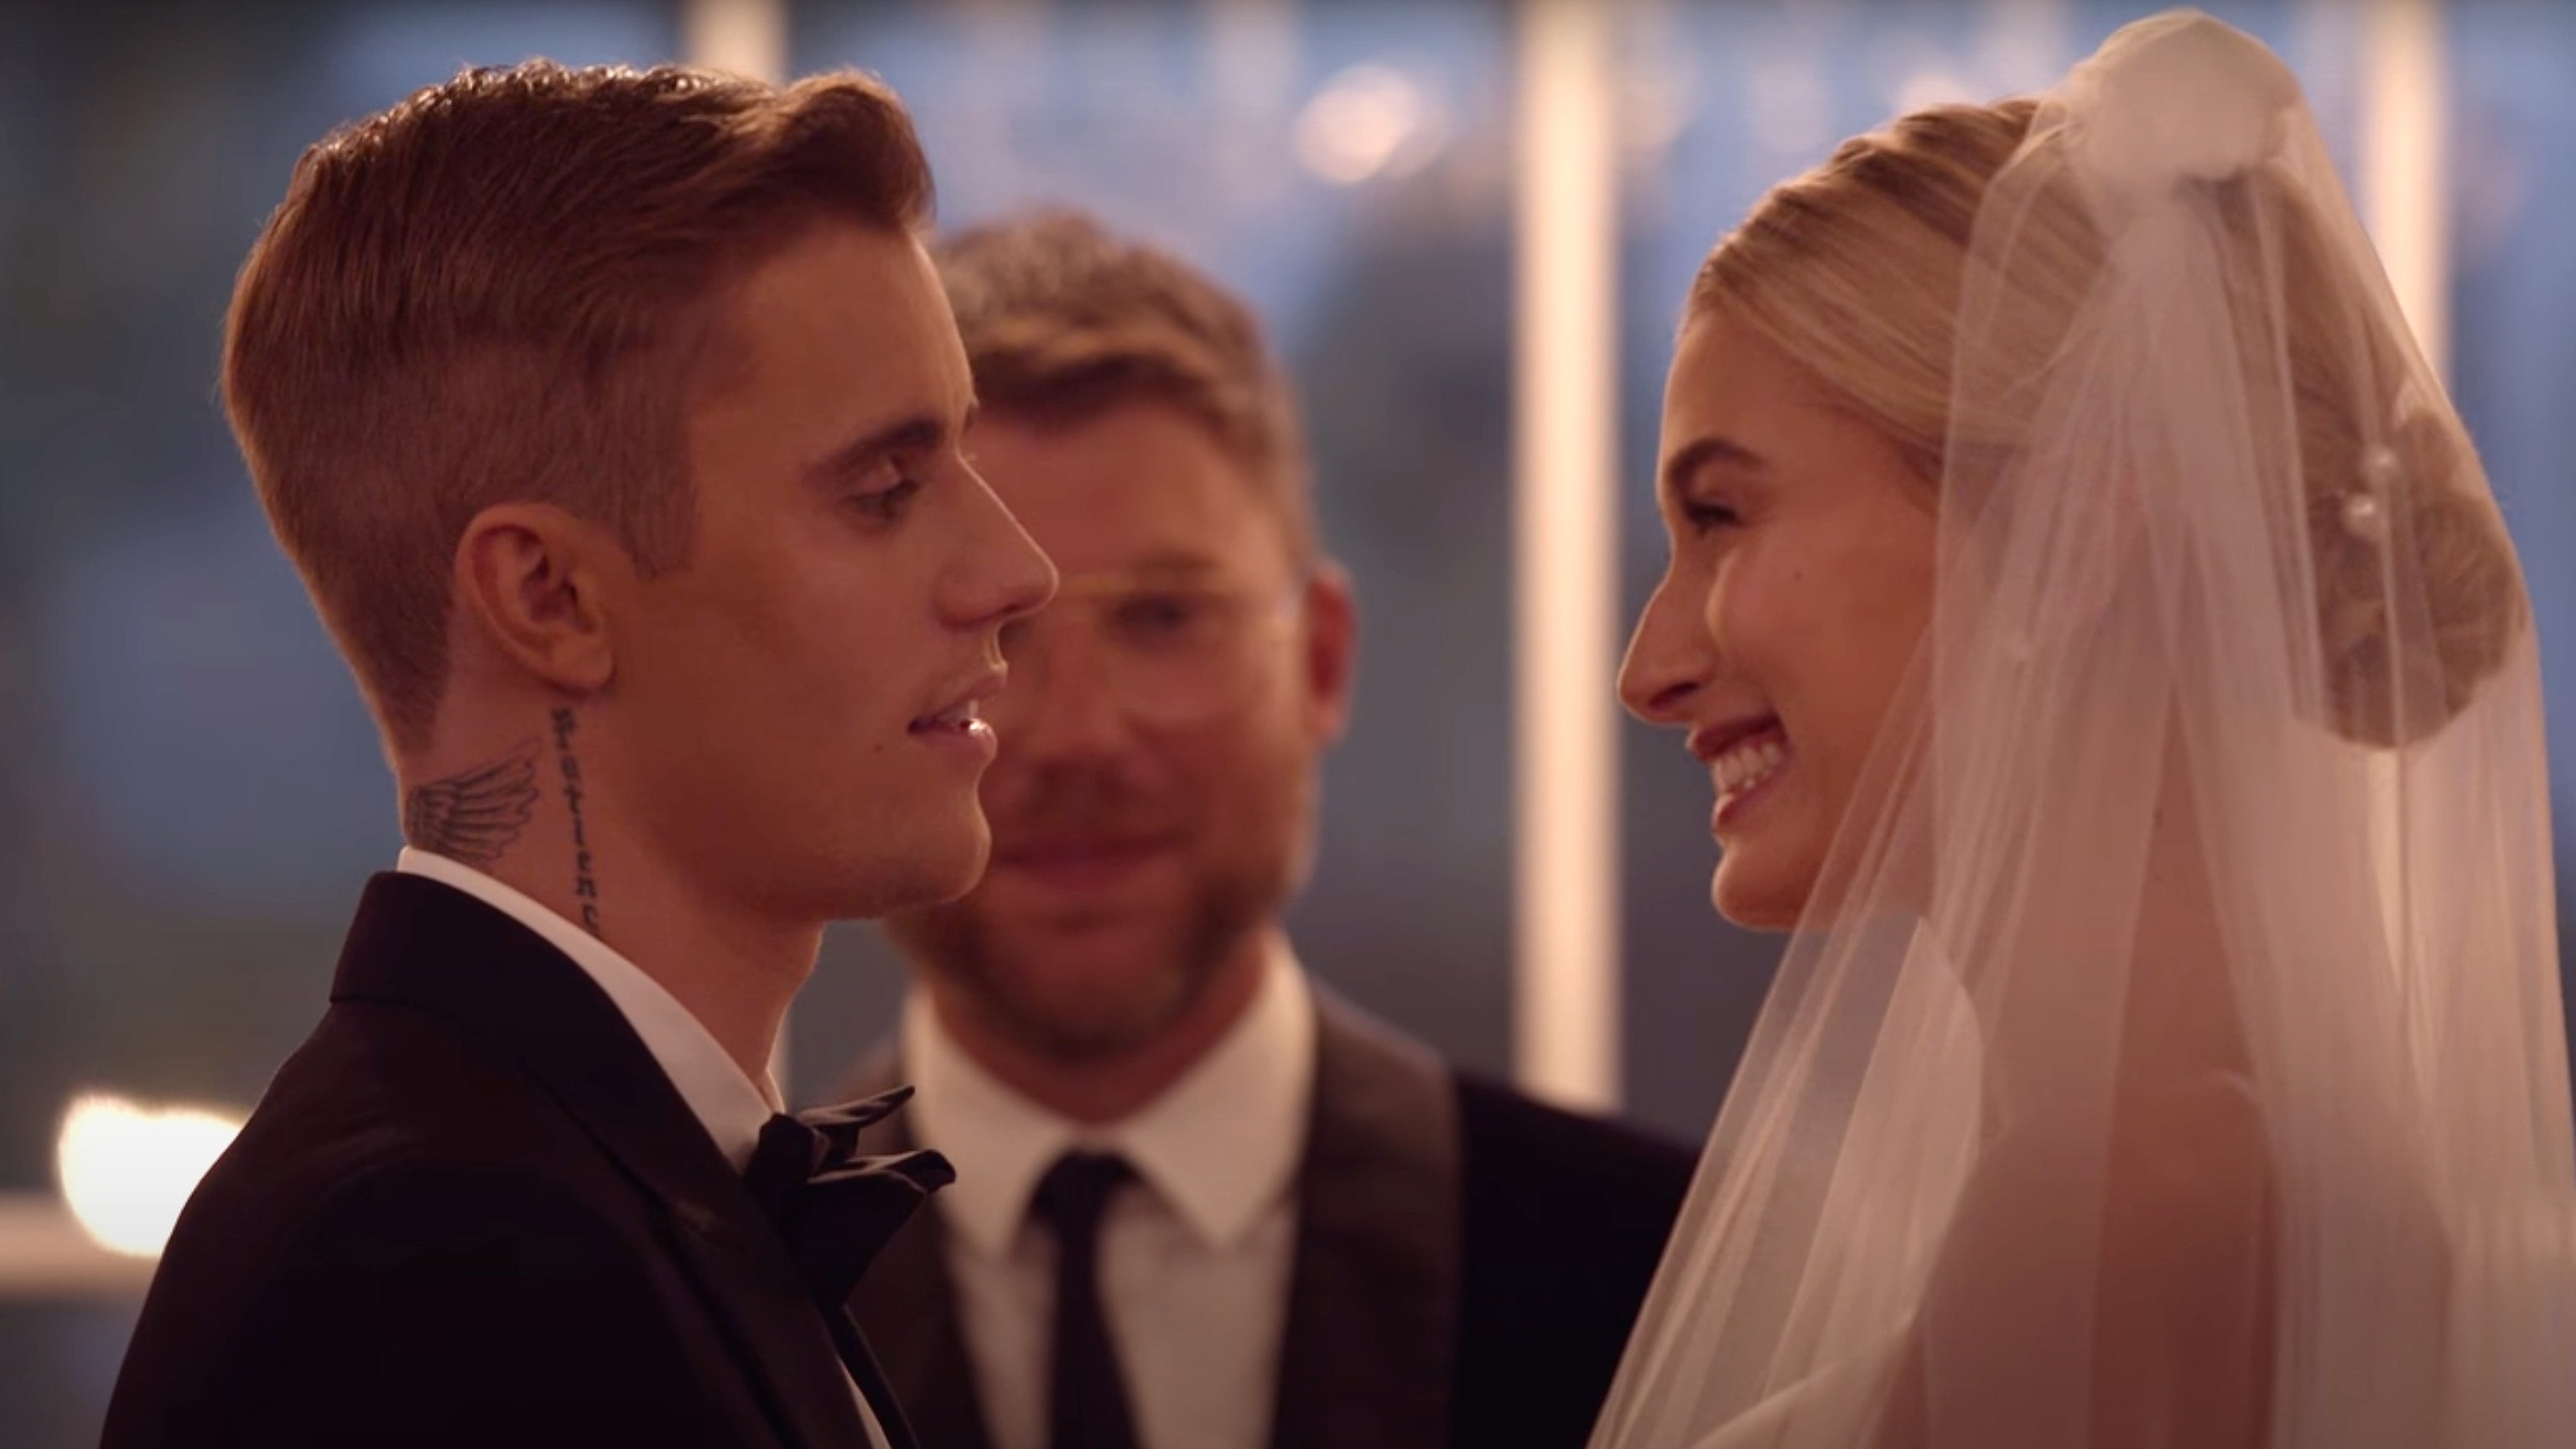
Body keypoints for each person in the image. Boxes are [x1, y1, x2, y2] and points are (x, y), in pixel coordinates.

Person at [1604, 11, 2576, 1449]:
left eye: (1723, 515)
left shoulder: (2136, 1195)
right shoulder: (2251, 1170)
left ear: (2070, 539)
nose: (1648, 666)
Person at [101, 60, 1055, 1449]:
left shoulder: (556, 1180)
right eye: (885, 490)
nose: (1015, 569)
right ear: (548, 597)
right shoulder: (441, 1263)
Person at [830, 209, 1698, 1449]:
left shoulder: (1664, 1277)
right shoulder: (688, 1294)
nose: (1077, 735)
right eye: (987, 628)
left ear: (1325, 663)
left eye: (1166, 619)